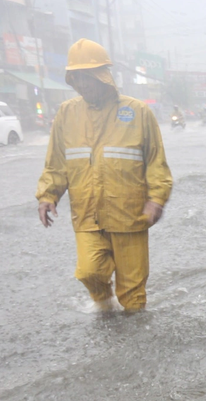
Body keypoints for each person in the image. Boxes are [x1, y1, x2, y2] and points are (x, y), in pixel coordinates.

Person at [35, 39, 173, 313]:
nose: (83, 84)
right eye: (77, 78)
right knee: (88, 271)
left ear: (104, 76)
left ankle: (134, 345)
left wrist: (156, 199)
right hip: (88, 214)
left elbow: (156, 161)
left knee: (133, 295)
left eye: (88, 77)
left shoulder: (137, 111)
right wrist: (48, 195)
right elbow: (56, 162)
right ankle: (105, 308)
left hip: (129, 215)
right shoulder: (67, 113)